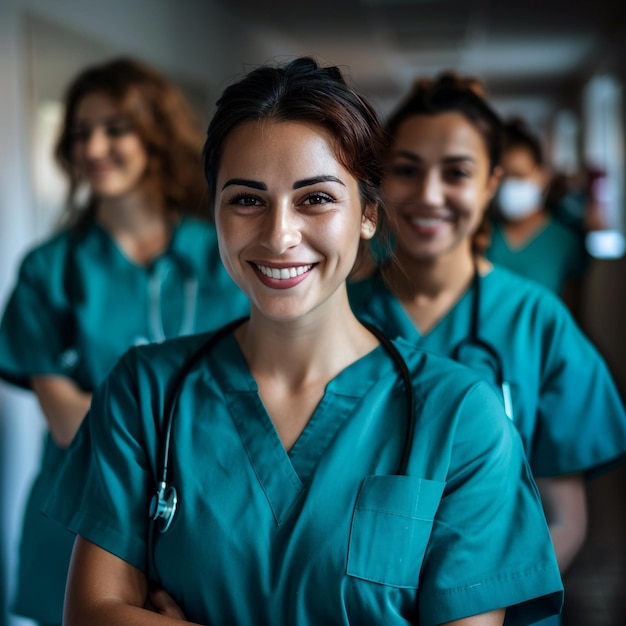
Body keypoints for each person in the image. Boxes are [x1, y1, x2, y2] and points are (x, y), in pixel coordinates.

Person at [43, 57, 563, 625]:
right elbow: (92, 614)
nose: (279, 235)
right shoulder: (146, 391)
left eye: (315, 199)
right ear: (213, 211)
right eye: (246, 199)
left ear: (367, 213)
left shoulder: (461, 416)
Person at [348, 73, 626, 626]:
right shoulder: (337, 314)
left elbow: (559, 515)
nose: (429, 193)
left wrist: (477, 608)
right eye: (407, 169)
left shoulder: (535, 320)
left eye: (456, 172)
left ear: (491, 184)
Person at [0, 57, 249, 626]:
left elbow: (254, 388)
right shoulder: (51, 269)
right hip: (80, 513)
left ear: (155, 137)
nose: (93, 147)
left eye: (115, 128)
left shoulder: (221, 252)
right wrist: (180, 428)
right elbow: (70, 424)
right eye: (82, 132)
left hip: (203, 514)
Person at [487, 117, 589, 313]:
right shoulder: (481, 232)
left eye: (518, 175)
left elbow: (571, 315)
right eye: (503, 177)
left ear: (541, 176)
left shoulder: (565, 241)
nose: (509, 185)